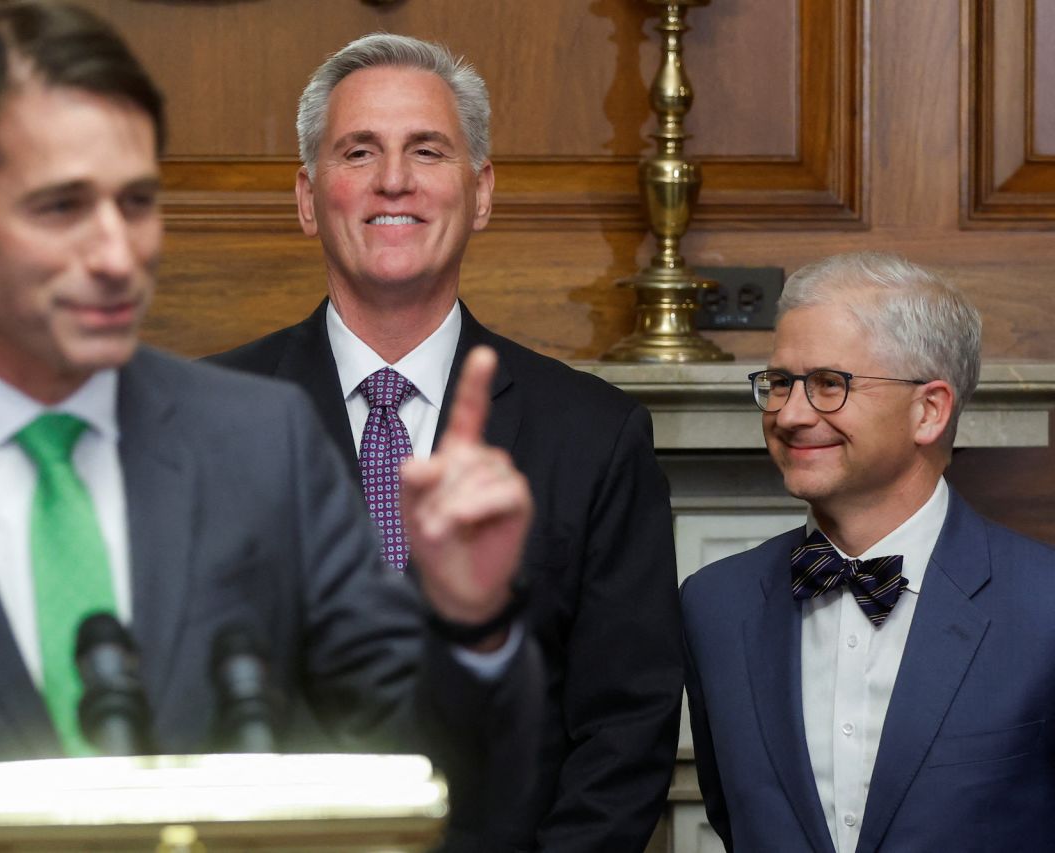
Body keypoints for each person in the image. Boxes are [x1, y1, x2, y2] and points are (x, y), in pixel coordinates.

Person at [0, 5, 543, 850]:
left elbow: (424, 787)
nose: (115, 254)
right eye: (62, 207)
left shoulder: (261, 446)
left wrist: (469, 622)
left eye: (135, 202)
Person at [212, 33, 682, 851]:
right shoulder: (210, 420)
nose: (393, 179)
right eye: (359, 151)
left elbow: (624, 733)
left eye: (426, 150)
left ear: (482, 190)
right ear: (306, 194)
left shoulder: (595, 437)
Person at [681, 252, 1055, 852]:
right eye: (780, 383)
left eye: (831, 384)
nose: (791, 414)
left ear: (929, 410)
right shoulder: (714, 604)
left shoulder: (1043, 607)